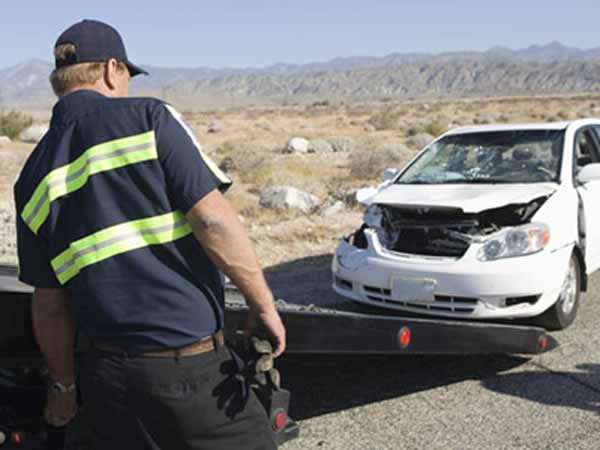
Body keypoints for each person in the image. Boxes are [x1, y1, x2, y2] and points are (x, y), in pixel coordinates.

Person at [14, 19, 286, 450]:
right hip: (190, 373)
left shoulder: (32, 176)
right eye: (127, 75)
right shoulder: (148, 118)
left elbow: (50, 306)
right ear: (111, 69)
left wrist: (63, 386)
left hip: (107, 383)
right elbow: (213, 221)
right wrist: (263, 304)